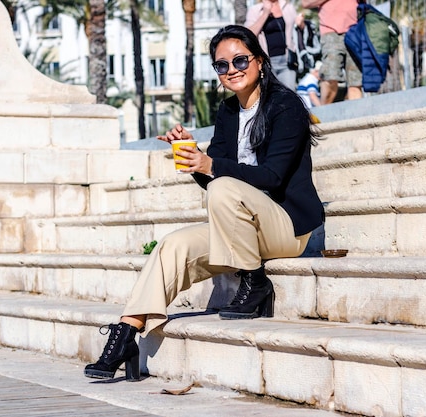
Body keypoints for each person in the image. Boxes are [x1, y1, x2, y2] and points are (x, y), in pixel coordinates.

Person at [83, 25, 324, 381]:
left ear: (259, 61)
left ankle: (255, 281)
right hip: (243, 228)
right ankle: (126, 335)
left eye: (240, 60)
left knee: (223, 187)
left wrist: (211, 165)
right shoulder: (228, 113)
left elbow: (272, 176)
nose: (232, 70)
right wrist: (192, 155)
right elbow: (215, 182)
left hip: (288, 228)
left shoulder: (285, 106)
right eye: (222, 66)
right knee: (172, 246)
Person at [301, 0, 362, 104]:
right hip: (331, 33)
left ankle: (358, 119)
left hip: (355, 31)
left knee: (355, 83)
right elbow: (305, 3)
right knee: (330, 78)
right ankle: (325, 116)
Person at [245, 0, 298, 90]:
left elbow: (295, 30)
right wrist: (265, 13)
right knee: (271, 96)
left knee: (289, 95)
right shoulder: (255, 10)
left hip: (287, 60)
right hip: (266, 63)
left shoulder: (287, 6)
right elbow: (249, 35)